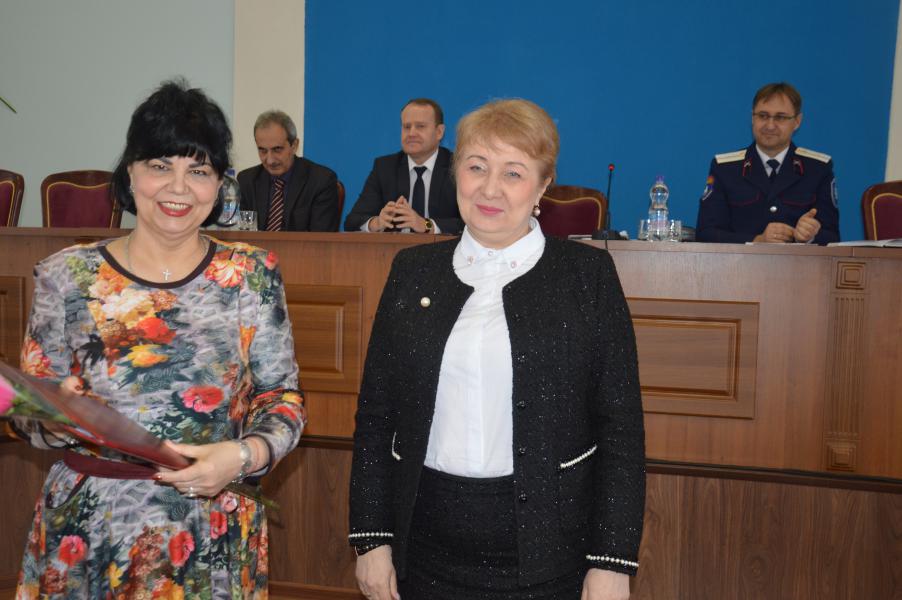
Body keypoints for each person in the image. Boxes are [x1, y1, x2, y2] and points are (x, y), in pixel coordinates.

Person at [12, 80, 306, 598]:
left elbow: (281, 399)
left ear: (219, 184)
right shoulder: (66, 276)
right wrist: (53, 417)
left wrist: (243, 456)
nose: (178, 187)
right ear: (130, 172)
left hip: (210, 527)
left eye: (199, 171)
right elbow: (25, 415)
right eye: (160, 165)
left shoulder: (250, 275)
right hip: (92, 529)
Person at [348, 99, 645, 600]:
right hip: (423, 550)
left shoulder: (587, 276)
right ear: (456, 173)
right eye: (477, 167)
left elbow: (620, 427)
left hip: (551, 554)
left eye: (513, 173)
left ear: (543, 187)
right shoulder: (412, 273)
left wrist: (612, 560)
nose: (490, 188)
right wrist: (371, 539)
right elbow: (377, 416)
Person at [696, 82, 840, 244]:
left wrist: (809, 236)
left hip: (797, 260)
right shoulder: (725, 169)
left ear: (797, 121)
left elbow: (832, 236)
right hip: (741, 261)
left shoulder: (818, 169)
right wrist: (757, 240)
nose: (770, 126)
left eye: (780, 117)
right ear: (752, 118)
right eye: (763, 116)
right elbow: (706, 233)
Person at [343, 98, 463, 234]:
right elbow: (352, 222)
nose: (411, 133)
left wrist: (426, 225)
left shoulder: (458, 167)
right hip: (394, 247)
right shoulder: (385, 168)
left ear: (439, 132)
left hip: (443, 247)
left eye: (420, 126)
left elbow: (470, 222)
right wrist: (377, 222)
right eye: (407, 127)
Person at [238, 109, 340, 231]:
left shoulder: (321, 181)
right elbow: (243, 234)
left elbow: (320, 238)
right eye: (263, 150)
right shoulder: (247, 180)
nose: (270, 160)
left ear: (294, 145)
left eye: (277, 149)